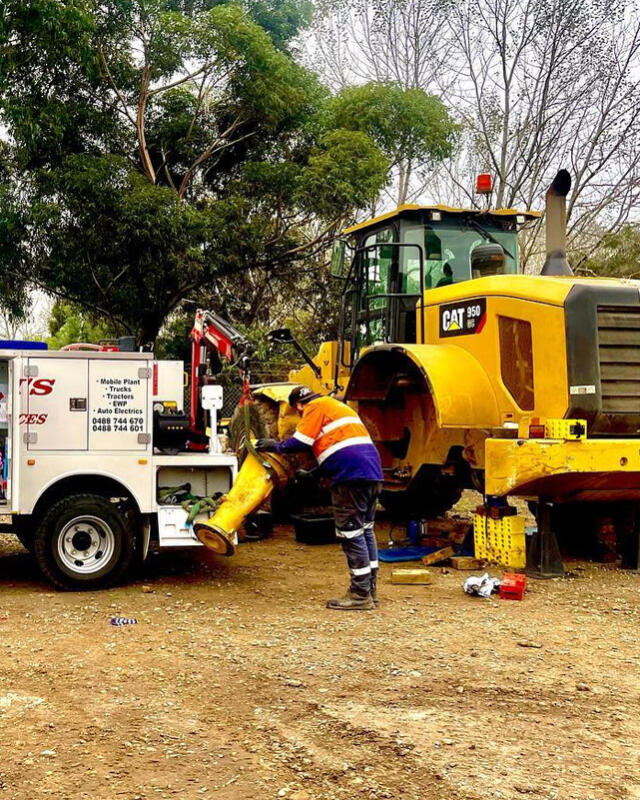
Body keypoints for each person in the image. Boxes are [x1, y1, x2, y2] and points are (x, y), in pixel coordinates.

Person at [255, 385, 383, 611]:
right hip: (371, 474)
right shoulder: (338, 407)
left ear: (299, 405)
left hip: (349, 479)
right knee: (365, 530)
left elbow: (301, 441)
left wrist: (274, 445)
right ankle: (370, 590)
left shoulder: (314, 407)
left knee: (351, 533)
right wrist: (314, 474)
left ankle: (360, 594)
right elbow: (342, 448)